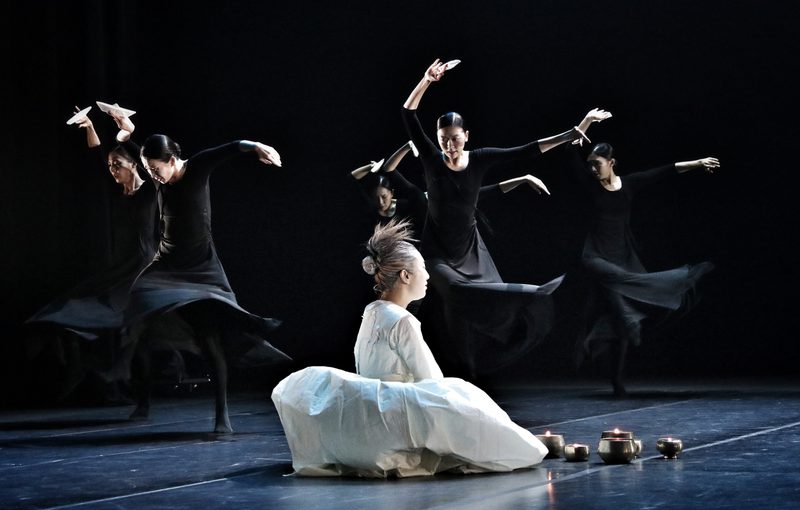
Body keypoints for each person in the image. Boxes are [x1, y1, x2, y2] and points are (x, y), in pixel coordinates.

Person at [271, 219, 548, 477]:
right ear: (405, 275)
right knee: (462, 396)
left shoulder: (372, 311)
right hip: (390, 420)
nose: (427, 276)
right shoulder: (403, 320)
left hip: (369, 415)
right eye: (423, 269)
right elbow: (432, 382)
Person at [400, 58, 608, 378]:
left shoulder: (481, 159)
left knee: (464, 311)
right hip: (438, 250)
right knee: (454, 290)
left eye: (455, 138)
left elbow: (528, 149)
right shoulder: (431, 157)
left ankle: (469, 368)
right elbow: (408, 113)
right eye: (444, 139)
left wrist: (576, 131)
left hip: (470, 248)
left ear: (466, 135)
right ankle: (528, 292)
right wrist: (427, 79)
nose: (450, 145)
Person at [121, 133, 290, 433]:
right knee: (139, 309)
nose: (153, 176)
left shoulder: (196, 168)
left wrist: (259, 147)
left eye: (156, 170)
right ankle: (143, 402)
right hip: (167, 265)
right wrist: (127, 134)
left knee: (209, 336)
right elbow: (139, 155)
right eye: (149, 171)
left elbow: (227, 148)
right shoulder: (160, 175)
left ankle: (222, 416)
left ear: (172, 161)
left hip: (201, 269)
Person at [24, 107, 160, 401]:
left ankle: (132, 387)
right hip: (119, 265)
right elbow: (96, 156)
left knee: (136, 334)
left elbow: (139, 158)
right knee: (69, 307)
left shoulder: (149, 192)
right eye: (111, 166)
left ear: (133, 165)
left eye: (118, 164)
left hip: (141, 267)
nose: (112, 170)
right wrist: (88, 125)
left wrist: (127, 133)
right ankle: (85, 366)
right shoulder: (117, 192)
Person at [572, 141, 719, 396]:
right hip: (596, 258)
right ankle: (680, 279)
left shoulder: (628, 185)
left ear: (611, 163)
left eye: (597, 164)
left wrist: (697, 163)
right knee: (624, 313)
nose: (593, 170)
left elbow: (664, 171)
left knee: (620, 323)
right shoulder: (591, 187)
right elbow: (568, 155)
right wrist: (583, 126)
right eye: (590, 165)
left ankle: (614, 377)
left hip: (622, 258)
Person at [351, 141, 428, 238]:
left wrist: (407, 146)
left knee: (418, 196)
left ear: (391, 193)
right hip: (385, 250)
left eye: (384, 197)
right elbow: (352, 178)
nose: (381, 202)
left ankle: (408, 145)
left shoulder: (405, 205)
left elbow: (388, 169)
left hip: (416, 246)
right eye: (375, 198)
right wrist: (370, 167)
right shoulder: (371, 214)